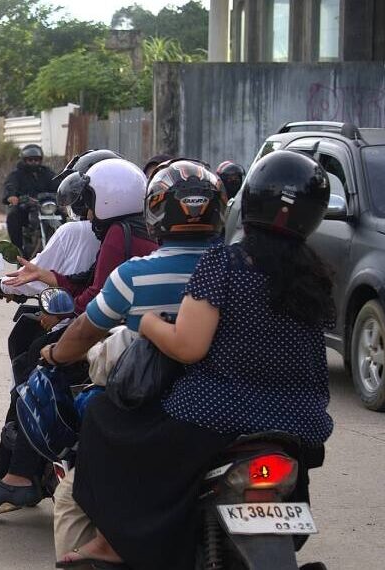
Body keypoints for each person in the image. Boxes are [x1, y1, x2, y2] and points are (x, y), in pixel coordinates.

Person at [60, 150, 335, 569]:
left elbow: (189, 347)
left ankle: (113, 542)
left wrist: (150, 323)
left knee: (102, 419)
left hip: (218, 415)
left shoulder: (223, 263)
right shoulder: (316, 275)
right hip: (303, 424)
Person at [34, 160, 227, 568]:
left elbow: (86, 330)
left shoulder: (134, 274)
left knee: (72, 495)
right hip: (233, 413)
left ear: (156, 212)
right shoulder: (240, 270)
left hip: (153, 414)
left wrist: (53, 353)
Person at [0, 158, 157, 516]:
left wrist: (62, 310)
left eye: (88, 199)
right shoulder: (135, 229)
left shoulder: (119, 234)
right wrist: (50, 279)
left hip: (118, 336)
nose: (85, 209)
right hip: (140, 335)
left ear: (108, 199)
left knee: (38, 363)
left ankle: (21, 476)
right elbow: (90, 281)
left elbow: (100, 296)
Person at [2, 144, 56, 257]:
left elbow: (58, 183)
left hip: (47, 206)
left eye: (36, 160)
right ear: (24, 160)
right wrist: (11, 196)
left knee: (66, 217)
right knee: (13, 216)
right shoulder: (17, 174)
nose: (34, 162)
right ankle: (18, 250)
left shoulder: (46, 172)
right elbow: (10, 185)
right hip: (27, 208)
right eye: (30, 160)